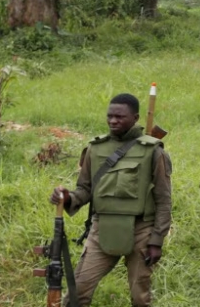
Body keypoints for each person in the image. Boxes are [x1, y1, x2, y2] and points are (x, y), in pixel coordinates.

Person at [49, 93, 172, 307]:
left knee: (140, 297)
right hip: (102, 229)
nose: (113, 121)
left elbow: (163, 200)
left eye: (120, 117)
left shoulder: (153, 151)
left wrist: (156, 240)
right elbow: (84, 189)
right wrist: (68, 197)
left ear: (135, 117)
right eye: (110, 116)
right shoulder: (95, 149)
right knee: (78, 290)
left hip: (141, 231)